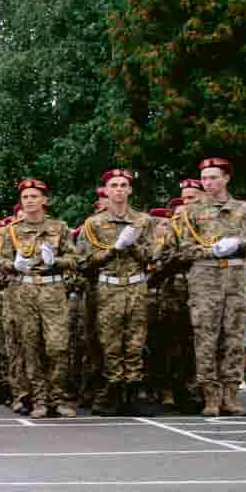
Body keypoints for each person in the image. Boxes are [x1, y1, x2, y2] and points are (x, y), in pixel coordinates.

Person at [167, 156, 246, 416]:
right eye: (205, 178)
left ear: (226, 178)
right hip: (205, 276)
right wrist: (209, 250)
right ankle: (210, 397)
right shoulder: (191, 212)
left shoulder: (243, 209)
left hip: (234, 275)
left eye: (213, 177)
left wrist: (238, 243)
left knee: (233, 337)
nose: (208, 182)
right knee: (206, 337)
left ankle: (231, 396)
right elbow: (180, 249)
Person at [0, 178, 76, 419]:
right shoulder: (12, 231)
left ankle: (58, 397)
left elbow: (75, 260)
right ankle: (39, 399)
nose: (29, 201)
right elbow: (0, 262)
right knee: (31, 347)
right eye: (25, 197)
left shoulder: (59, 228)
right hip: (24, 291)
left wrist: (55, 262)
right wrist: (14, 265)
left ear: (44, 200)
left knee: (58, 346)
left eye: (34, 196)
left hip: (52, 291)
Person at [77, 168, 158, 415]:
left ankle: (132, 391)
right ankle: (112, 390)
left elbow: (152, 256)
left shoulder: (143, 221)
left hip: (135, 285)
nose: (119, 190)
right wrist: (113, 249)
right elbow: (83, 261)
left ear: (130, 189)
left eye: (124, 185)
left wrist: (132, 247)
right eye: (114, 185)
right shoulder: (93, 223)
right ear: (106, 190)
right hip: (108, 286)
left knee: (135, 341)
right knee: (110, 342)